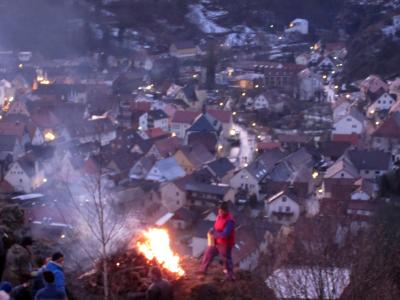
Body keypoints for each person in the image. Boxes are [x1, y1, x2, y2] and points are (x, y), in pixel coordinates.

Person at [199, 201, 235, 280]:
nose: (220, 212)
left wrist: (215, 233)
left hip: (225, 244)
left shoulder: (230, 221)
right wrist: (212, 230)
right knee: (208, 253)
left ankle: (230, 275)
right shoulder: (219, 216)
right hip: (216, 241)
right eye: (219, 210)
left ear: (226, 211)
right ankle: (202, 270)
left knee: (226, 259)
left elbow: (225, 234)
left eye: (222, 211)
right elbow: (216, 227)